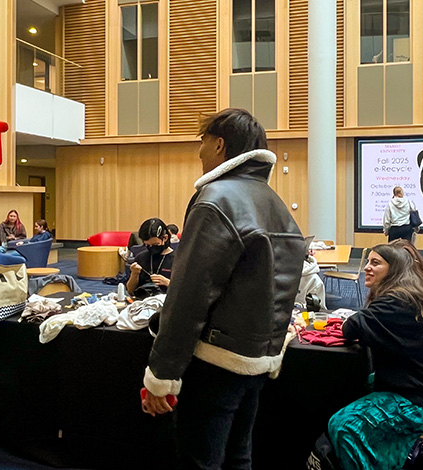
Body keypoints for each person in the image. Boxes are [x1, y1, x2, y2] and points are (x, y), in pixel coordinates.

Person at [141, 108, 306, 469]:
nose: (198, 152)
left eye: (201, 142)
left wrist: (162, 376)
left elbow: (189, 295)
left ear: (219, 144)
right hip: (258, 361)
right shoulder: (277, 204)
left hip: (215, 362)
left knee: (201, 462)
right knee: (238, 457)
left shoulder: (216, 200)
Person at [328, 243, 423, 470]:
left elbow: (350, 329)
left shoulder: (396, 302)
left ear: (394, 270)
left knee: (344, 425)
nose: (367, 268)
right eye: (368, 262)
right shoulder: (412, 296)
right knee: (349, 389)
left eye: (376, 263)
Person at [126, 218, 175, 297]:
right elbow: (130, 291)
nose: (151, 248)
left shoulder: (177, 260)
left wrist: (168, 283)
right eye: (148, 245)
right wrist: (135, 274)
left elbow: (186, 291)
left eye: (155, 244)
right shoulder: (141, 257)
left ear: (165, 238)